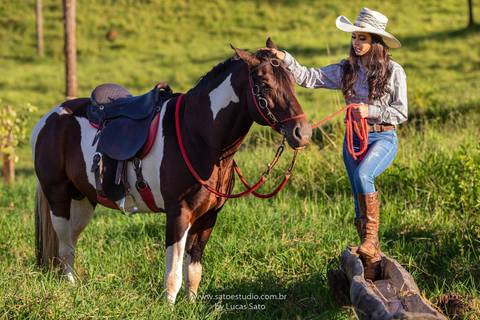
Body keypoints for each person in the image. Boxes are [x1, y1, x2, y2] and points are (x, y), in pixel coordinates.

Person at [267, 8, 408, 280]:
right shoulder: (346, 70)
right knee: (357, 188)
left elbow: (401, 113)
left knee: (364, 174)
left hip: (382, 136)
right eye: (354, 37)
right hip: (353, 138)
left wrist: (370, 111)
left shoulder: (394, 71)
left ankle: (370, 241)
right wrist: (285, 58)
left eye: (362, 38)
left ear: (375, 43)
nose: (356, 43)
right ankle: (370, 253)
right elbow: (309, 77)